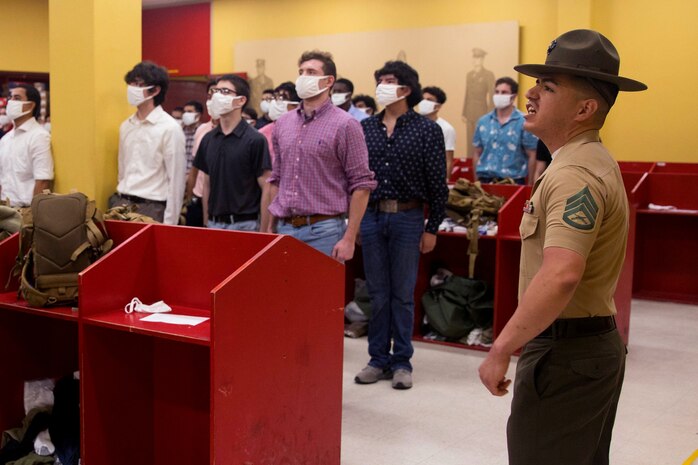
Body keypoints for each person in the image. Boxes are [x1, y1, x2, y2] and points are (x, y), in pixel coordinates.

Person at [478, 29, 647, 465]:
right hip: (581, 347)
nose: (530, 93)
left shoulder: (574, 173)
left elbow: (561, 273)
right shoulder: (583, 160)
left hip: (566, 355)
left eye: (548, 87)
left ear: (585, 108)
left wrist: (501, 348)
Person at [355, 61, 448, 390]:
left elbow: (438, 183)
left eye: (389, 81)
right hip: (372, 215)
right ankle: (377, 358)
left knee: (403, 294)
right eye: (379, 80)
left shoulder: (426, 130)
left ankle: (402, 361)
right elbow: (356, 180)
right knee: (377, 292)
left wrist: (432, 226)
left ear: (406, 89)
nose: (382, 85)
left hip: (409, 217)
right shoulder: (365, 128)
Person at [266, 50, 376, 260]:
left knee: (321, 292)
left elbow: (361, 184)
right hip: (284, 227)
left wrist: (349, 237)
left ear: (328, 81)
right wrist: (270, 226)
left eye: (311, 72)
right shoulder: (283, 123)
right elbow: (276, 179)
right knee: (285, 292)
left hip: (324, 230)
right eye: (301, 72)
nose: (303, 77)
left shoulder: (345, 125)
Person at [193, 74, 271, 232]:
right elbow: (207, 184)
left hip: (246, 225)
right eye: (215, 91)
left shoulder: (255, 140)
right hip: (214, 223)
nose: (217, 96)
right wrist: (207, 222)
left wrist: (264, 230)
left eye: (225, 91)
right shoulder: (208, 139)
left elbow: (266, 187)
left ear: (241, 100)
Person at [110, 61, 186, 224]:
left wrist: (170, 224)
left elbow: (176, 182)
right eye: (131, 84)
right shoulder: (126, 126)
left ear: (155, 90)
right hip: (122, 203)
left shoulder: (170, 128)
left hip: (152, 207)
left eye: (139, 84)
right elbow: (122, 169)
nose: (132, 89)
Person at [472, 77, 538, 184]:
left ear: (513, 96)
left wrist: (529, 186)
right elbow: (477, 153)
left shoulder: (524, 122)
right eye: (497, 92)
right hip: (485, 180)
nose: (499, 95)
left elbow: (532, 155)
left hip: (513, 182)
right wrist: (476, 182)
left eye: (504, 92)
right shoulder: (483, 122)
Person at [0, 84, 54, 207]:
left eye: (17, 98)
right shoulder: (5, 139)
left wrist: (33, 216)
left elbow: (43, 181)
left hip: (26, 211)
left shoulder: (39, 136)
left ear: (31, 105)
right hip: (4, 209)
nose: (11, 101)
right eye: (10, 97)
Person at [184, 80, 218, 227]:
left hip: (220, 203)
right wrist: (190, 197)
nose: (212, 98)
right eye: (209, 95)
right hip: (197, 199)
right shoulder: (202, 130)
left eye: (217, 93)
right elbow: (194, 168)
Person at [462, 47, 495, 158]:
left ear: (482, 60)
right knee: (469, 142)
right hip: (470, 112)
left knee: (480, 142)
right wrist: (464, 112)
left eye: (479, 58)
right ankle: (470, 167)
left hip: (482, 112)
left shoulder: (488, 75)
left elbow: (492, 95)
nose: (476, 60)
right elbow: (467, 94)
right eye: (474, 58)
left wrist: (491, 115)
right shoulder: (469, 75)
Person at [419, 86, 457, 178]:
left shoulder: (446, 128)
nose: (424, 102)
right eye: (422, 99)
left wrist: (445, 181)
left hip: (434, 176)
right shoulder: (410, 125)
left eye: (429, 100)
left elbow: (448, 160)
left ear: (438, 106)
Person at [258, 81, 300, 164]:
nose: (275, 103)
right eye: (275, 98)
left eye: (282, 98)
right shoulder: (263, 134)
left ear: (295, 105)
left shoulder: (304, 132)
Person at [182, 100, 203, 176]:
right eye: (185, 112)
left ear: (198, 115)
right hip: (180, 175)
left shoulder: (203, 132)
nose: (185, 114)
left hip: (195, 176)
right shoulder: (180, 131)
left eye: (189, 112)